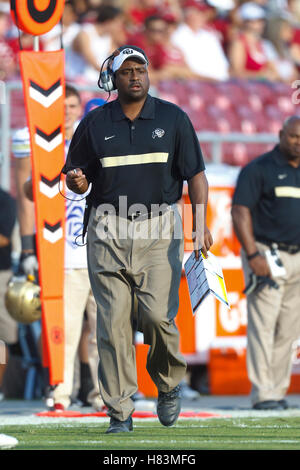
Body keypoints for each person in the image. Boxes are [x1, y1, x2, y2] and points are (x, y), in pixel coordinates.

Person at [63, 44, 213, 433]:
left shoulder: (173, 118)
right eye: (127, 71)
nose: (135, 76)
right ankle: (119, 410)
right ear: (113, 78)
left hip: (158, 226)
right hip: (107, 226)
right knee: (112, 323)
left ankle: (166, 384)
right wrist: (77, 180)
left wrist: (199, 222)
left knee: (158, 317)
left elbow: (195, 174)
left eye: (140, 70)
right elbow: (74, 173)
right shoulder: (95, 123)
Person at [14, 85, 105, 412]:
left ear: (79, 109)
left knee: (103, 334)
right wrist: (28, 250)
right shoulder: (44, 146)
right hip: (64, 253)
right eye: (62, 106)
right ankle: (61, 394)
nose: (66, 111)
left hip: (100, 251)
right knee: (64, 331)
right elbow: (27, 193)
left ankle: (103, 395)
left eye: (71, 106)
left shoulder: (94, 141)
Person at [231, 115, 300, 410]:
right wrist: (253, 254)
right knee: (264, 324)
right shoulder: (258, 169)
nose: (298, 143)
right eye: (294, 136)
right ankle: (263, 392)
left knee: (289, 328)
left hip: (297, 258)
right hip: (266, 254)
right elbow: (240, 211)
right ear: (281, 134)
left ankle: (277, 389)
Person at [170, 0, 230, 82]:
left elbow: (222, 65)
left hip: (218, 83)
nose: (203, 16)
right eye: (199, 12)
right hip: (193, 84)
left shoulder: (209, 36)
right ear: (189, 14)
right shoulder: (177, 36)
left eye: (203, 13)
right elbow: (184, 68)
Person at [228, 2, 280, 81]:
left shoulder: (264, 44)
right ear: (245, 23)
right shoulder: (239, 43)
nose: (259, 24)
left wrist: (268, 75)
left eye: (261, 21)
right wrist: (261, 75)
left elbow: (275, 72)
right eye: (254, 21)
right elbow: (237, 72)